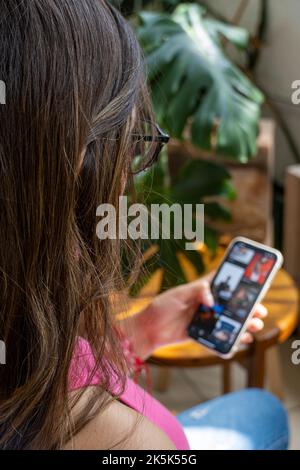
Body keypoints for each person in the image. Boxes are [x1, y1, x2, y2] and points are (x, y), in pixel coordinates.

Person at [0, 0, 288, 450]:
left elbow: (55, 364)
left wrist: (144, 332)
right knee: (263, 411)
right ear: (75, 161)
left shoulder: (21, 314)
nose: (125, 178)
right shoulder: (110, 437)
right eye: (130, 145)